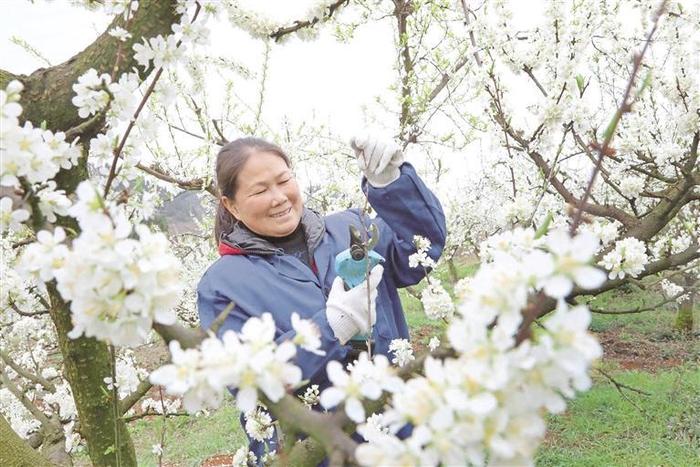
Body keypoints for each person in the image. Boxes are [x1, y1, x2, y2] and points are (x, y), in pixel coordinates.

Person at [197, 134, 446, 460]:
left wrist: (394, 186)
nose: (279, 198)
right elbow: (250, 384)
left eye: (284, 180)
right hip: (317, 454)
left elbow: (420, 251)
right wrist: (331, 327)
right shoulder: (221, 285)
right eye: (260, 190)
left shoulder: (349, 227)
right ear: (231, 205)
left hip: (402, 433)